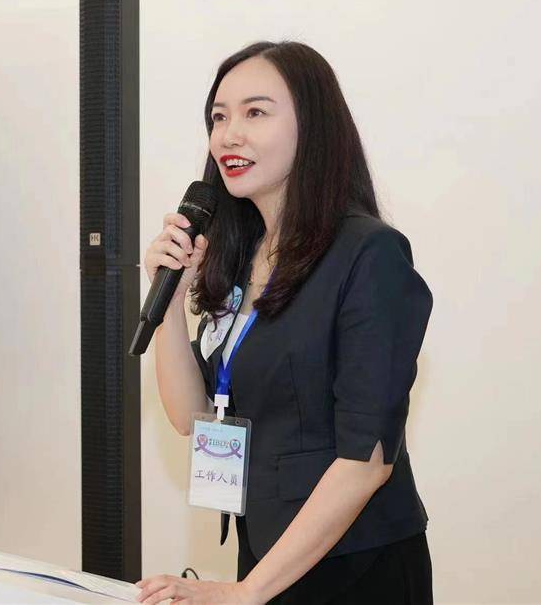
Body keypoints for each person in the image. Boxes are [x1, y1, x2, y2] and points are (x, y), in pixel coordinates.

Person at [136, 41, 433, 605]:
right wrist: (169, 302)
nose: (229, 135)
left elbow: (366, 460)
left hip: (354, 567)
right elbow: (191, 416)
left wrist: (247, 593)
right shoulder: (241, 253)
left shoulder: (369, 254)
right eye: (218, 117)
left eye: (255, 112)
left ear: (312, 127)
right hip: (267, 554)